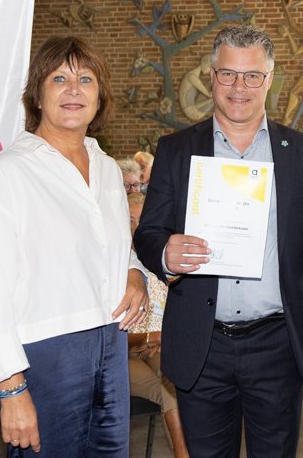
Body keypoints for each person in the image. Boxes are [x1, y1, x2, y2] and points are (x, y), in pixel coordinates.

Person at [134, 25, 303, 456]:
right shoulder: (176, 149)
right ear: (211, 76)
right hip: (201, 343)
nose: (238, 87)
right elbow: (148, 233)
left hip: (278, 342)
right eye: (227, 74)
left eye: (251, 76)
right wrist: (165, 253)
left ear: (269, 78)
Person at [0, 36, 149, 456]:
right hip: (44, 356)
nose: (74, 89)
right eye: (59, 78)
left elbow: (108, 242)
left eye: (86, 78)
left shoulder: (107, 170)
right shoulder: (7, 175)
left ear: (100, 97)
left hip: (110, 348)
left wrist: (132, 271)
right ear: (37, 96)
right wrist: (11, 389)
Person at [126, 193, 189, 458]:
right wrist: (149, 336)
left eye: (143, 219)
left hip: (158, 345)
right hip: (122, 352)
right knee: (165, 392)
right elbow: (107, 334)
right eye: (130, 219)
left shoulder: (163, 259)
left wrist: (165, 335)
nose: (137, 226)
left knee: (175, 383)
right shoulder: (114, 263)